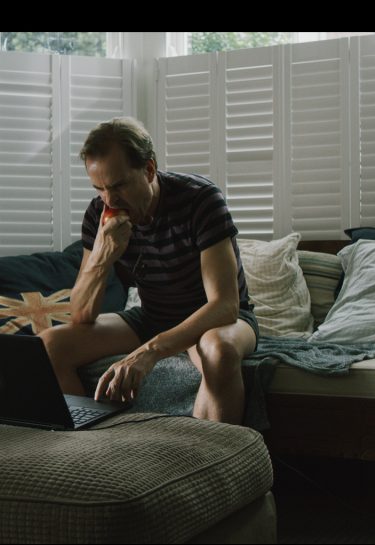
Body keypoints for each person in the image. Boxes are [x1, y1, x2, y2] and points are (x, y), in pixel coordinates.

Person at [37, 117, 258, 424]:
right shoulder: (99, 213)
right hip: (152, 316)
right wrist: (102, 257)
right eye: (99, 189)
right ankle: (89, 441)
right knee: (49, 345)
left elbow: (225, 306)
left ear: (149, 170)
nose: (110, 200)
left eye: (119, 186)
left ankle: (209, 451)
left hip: (213, 319)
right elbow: (81, 315)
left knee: (218, 351)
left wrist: (149, 352)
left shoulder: (201, 200)